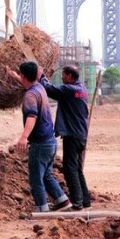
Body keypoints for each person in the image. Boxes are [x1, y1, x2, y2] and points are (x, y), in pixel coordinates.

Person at [14, 61, 71, 212]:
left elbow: (31, 117)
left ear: (24, 75)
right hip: (50, 141)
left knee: (35, 178)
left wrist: (24, 137)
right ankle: (63, 201)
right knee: (46, 175)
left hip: (40, 143)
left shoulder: (30, 95)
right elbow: (27, 82)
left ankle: (42, 209)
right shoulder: (39, 87)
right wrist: (14, 75)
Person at [39, 65, 91, 211]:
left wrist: (41, 76)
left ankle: (77, 202)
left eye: (63, 75)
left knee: (69, 169)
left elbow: (50, 90)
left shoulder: (70, 90)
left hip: (73, 134)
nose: (62, 77)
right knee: (77, 168)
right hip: (81, 134)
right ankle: (85, 200)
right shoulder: (82, 89)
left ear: (69, 76)